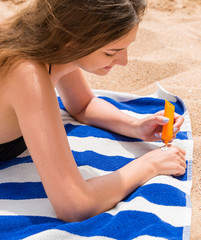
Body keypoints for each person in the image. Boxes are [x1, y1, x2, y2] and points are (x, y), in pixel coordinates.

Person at [0, 0, 186, 222]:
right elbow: (74, 205)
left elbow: (82, 104)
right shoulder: (27, 73)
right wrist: (150, 164)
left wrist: (135, 126)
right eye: (111, 52)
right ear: (72, 40)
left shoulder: (52, 45)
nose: (124, 61)